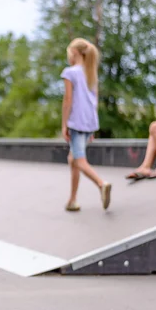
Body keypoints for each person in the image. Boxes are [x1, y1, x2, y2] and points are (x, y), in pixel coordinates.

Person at [61, 38, 112, 212]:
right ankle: (72, 200)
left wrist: (64, 124)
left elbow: (68, 100)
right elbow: (94, 102)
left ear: (74, 53)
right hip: (88, 123)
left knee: (79, 160)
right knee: (72, 159)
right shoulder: (91, 74)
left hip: (76, 122)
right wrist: (92, 127)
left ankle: (101, 184)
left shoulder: (70, 72)